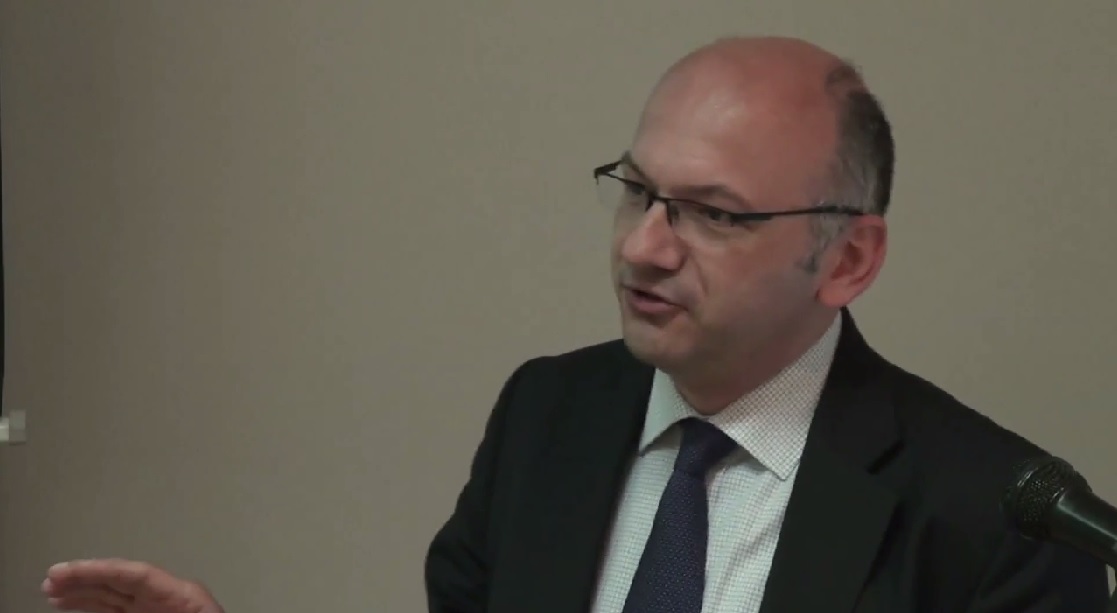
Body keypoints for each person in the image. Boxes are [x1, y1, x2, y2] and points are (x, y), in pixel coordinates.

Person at [41, 36, 1109, 613]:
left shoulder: (999, 519)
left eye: (711, 214)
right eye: (636, 190)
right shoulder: (546, 414)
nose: (643, 246)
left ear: (848, 258)